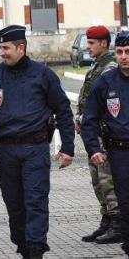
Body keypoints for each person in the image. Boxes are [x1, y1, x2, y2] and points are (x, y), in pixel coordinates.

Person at [0, 25, 75, 259]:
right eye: (0, 47)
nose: (2, 52)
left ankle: (35, 250)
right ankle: (24, 245)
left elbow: (63, 111)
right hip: (6, 152)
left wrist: (68, 147)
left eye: (6, 48)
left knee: (35, 201)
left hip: (34, 149)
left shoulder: (43, 75)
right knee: (15, 206)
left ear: (21, 47)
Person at [81, 30, 129, 257]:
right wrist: (93, 148)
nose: (123, 56)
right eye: (119, 52)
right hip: (118, 151)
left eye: (127, 52)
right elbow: (89, 117)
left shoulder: (105, 70)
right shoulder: (106, 80)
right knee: (123, 202)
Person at [76, 26, 120, 243]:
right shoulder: (97, 66)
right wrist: (80, 119)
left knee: (106, 179)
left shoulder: (110, 67)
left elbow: (107, 102)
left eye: (92, 43)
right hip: (93, 131)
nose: (88, 47)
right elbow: (86, 97)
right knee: (97, 179)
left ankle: (117, 222)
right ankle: (106, 219)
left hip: (104, 132)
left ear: (104, 43)